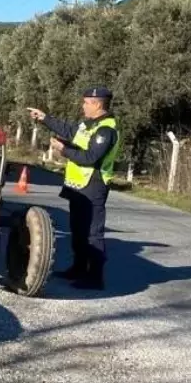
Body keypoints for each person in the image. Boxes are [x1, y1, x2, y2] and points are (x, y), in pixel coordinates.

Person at [27, 87, 121, 290]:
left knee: (92, 232)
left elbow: (90, 158)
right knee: (78, 229)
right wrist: (44, 118)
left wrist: (64, 149)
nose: (83, 105)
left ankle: (95, 278)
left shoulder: (106, 129)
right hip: (78, 186)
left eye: (86, 102)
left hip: (93, 185)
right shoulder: (88, 124)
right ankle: (78, 268)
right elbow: (69, 130)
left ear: (97, 104)